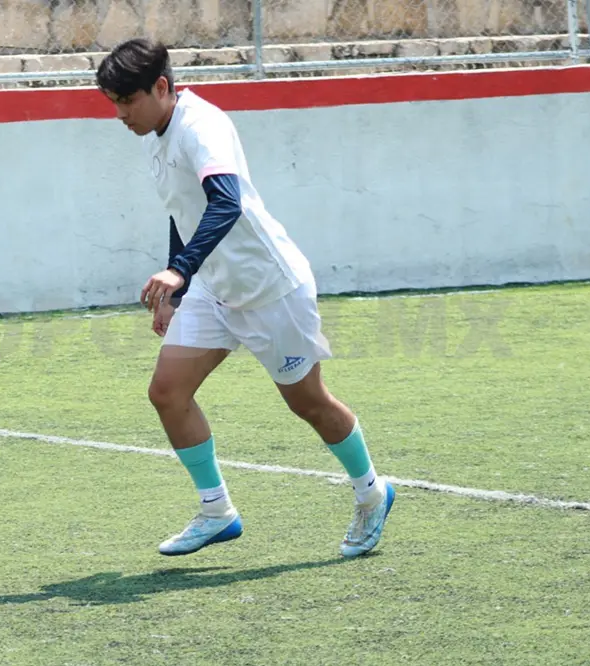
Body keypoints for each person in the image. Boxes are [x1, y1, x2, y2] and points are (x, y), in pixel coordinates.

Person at [96, 38, 395, 558]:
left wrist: (177, 270)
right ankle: (217, 513)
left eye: (128, 101)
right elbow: (180, 212)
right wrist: (180, 287)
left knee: (307, 403)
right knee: (167, 392)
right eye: (114, 103)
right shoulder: (153, 135)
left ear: (162, 87)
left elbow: (226, 202)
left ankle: (373, 492)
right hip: (213, 286)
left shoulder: (201, 126)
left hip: (270, 289)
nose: (121, 114)